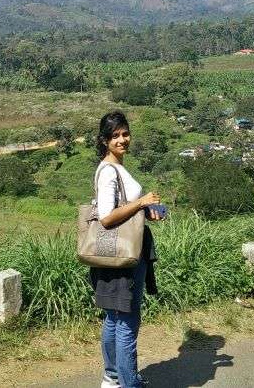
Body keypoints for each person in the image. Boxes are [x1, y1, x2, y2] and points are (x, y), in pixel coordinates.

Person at [89, 110, 164, 388]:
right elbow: (107, 217)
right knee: (127, 321)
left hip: (114, 253)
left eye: (125, 133)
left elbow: (121, 211)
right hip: (124, 255)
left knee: (113, 317)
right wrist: (142, 202)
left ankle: (112, 377)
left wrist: (147, 212)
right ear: (105, 140)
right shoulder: (109, 171)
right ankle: (129, 383)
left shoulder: (113, 167)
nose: (122, 139)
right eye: (115, 135)